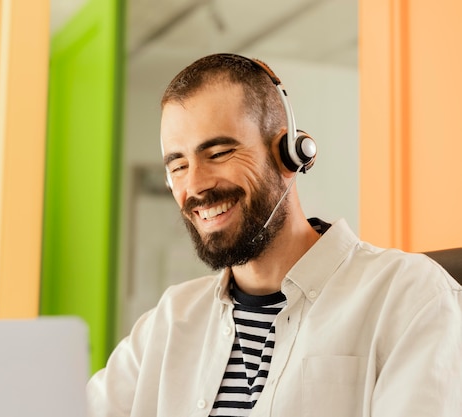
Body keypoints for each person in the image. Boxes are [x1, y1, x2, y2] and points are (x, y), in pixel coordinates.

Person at [86, 53, 462, 417]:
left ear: (289, 153)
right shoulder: (168, 323)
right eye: (179, 165)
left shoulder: (410, 297)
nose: (196, 185)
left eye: (218, 153)